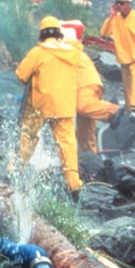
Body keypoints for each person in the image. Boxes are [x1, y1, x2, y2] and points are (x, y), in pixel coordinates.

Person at [15, 15, 83, 200]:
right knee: (67, 145)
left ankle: (16, 171)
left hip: (40, 105)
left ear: (42, 35)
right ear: (59, 35)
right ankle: (74, 186)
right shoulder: (73, 53)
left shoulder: (38, 52)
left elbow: (21, 75)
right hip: (65, 107)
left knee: (28, 135)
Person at [62, 28, 121, 153]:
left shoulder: (66, 51)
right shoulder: (74, 51)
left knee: (84, 107)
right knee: (85, 132)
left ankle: (116, 112)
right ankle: (90, 157)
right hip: (90, 85)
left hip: (85, 87)